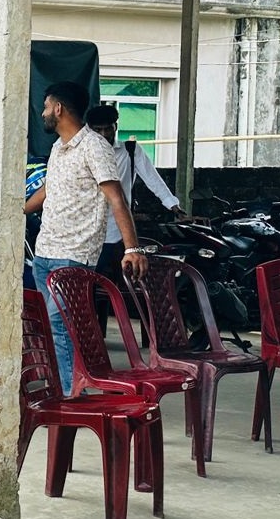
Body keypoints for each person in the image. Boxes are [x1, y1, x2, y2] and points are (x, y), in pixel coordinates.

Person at [25, 82, 149, 393]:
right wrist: (17, 211)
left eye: (45, 106)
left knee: (63, 326)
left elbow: (117, 198)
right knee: (51, 326)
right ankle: (64, 386)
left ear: (58, 109)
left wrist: (132, 247)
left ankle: (70, 395)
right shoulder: (58, 147)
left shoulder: (95, 147)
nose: (42, 113)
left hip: (74, 253)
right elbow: (49, 189)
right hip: (45, 251)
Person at [86, 103, 184, 278]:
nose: (103, 135)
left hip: (118, 230)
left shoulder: (130, 151)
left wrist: (173, 207)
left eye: (108, 129)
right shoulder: (83, 152)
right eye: (98, 130)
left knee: (123, 281)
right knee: (88, 282)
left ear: (116, 126)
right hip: (87, 230)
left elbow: (153, 179)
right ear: (89, 129)